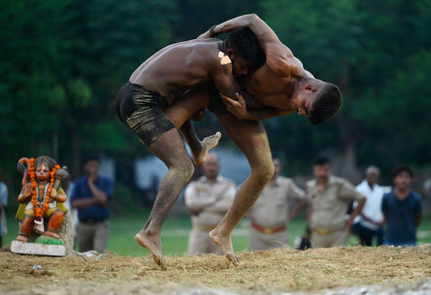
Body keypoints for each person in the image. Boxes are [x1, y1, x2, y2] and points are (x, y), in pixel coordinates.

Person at [157, 14, 343, 266]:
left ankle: (222, 231)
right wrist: (212, 31)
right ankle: (153, 226)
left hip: (235, 107)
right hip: (212, 83)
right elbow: (253, 20)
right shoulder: (283, 62)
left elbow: (267, 113)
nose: (299, 112)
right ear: (309, 88)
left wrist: (244, 113)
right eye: (304, 108)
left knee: (265, 169)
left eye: (304, 114)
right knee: (160, 128)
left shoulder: (293, 102)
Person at [115, 26, 266, 269]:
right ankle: (150, 230)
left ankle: (197, 148)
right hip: (141, 102)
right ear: (231, 53)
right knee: (182, 167)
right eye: (244, 66)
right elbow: (232, 101)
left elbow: (202, 50)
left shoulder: (207, 44)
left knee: (189, 100)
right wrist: (257, 110)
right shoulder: (222, 61)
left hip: (134, 94)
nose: (244, 72)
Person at [306, 156, 366, 248]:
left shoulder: (340, 185)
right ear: (314, 170)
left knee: (337, 261)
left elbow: (361, 198)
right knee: (317, 261)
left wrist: (350, 221)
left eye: (325, 170)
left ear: (330, 170)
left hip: (337, 235)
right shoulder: (310, 186)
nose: (322, 173)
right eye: (319, 170)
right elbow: (310, 204)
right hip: (317, 234)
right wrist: (310, 220)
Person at [247, 158, 305, 251]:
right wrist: (247, 214)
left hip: (279, 235)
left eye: (276, 166)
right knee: (255, 263)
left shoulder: (287, 184)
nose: (273, 168)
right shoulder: (255, 183)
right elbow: (239, 196)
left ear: (280, 168)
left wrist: (290, 216)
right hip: (257, 235)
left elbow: (302, 198)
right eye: (270, 165)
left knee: (279, 263)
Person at [185, 152, 236, 255]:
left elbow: (229, 205)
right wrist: (214, 200)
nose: (211, 168)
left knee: (222, 266)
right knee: (194, 266)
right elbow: (191, 204)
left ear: (219, 166)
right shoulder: (194, 185)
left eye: (214, 164)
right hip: (199, 235)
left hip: (220, 235)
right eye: (208, 164)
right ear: (204, 166)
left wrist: (202, 206)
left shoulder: (229, 185)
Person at [15, 156, 67, 242]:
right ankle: (23, 234)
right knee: (28, 215)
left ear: (51, 172)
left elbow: (64, 197)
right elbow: (20, 199)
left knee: (59, 214)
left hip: (48, 207)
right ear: (34, 172)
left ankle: (50, 230)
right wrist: (25, 196)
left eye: (45, 171)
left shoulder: (54, 187)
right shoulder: (29, 185)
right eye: (39, 171)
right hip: (33, 206)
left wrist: (56, 196)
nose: (41, 173)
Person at [71, 156, 113, 253]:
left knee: (99, 252)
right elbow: (75, 203)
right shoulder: (79, 184)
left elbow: (103, 200)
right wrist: (95, 199)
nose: (93, 169)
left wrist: (91, 184)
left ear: (99, 167)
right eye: (90, 166)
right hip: (83, 225)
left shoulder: (106, 182)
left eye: (95, 166)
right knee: (84, 253)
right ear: (85, 167)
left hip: (100, 224)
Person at [382, 165, 422, 246]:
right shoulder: (387, 198)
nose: (403, 180)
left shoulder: (416, 199)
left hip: (410, 241)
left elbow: (418, 219)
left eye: (406, 177)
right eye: (400, 176)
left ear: (410, 179)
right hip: (390, 241)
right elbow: (386, 217)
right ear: (394, 179)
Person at [352, 166, 385, 246]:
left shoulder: (380, 191)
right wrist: (370, 221)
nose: (373, 177)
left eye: (375, 175)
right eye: (371, 175)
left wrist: (379, 221)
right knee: (366, 247)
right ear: (366, 175)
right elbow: (357, 209)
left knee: (382, 246)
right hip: (363, 224)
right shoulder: (359, 189)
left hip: (377, 224)